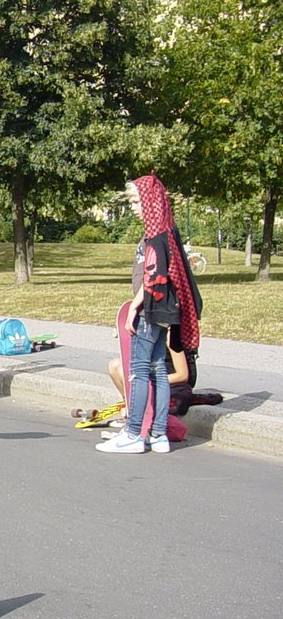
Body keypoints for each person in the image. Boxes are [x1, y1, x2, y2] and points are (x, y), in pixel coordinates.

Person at [97, 175, 202, 454]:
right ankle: (158, 435)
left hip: (152, 310)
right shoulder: (167, 231)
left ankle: (133, 433)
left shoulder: (156, 235)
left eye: (135, 200)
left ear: (150, 200)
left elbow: (155, 276)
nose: (132, 207)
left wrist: (134, 306)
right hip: (165, 310)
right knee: (156, 368)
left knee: (139, 369)